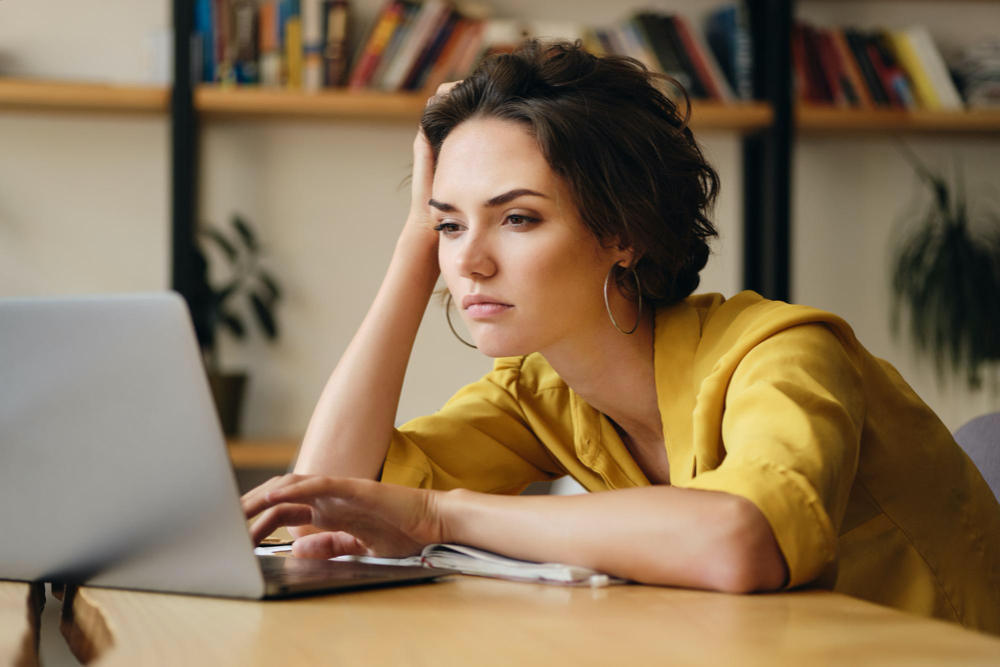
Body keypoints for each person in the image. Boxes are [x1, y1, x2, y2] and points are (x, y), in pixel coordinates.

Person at [242, 38, 1000, 635]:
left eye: (517, 218)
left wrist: (438, 517)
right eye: (450, 224)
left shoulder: (783, 351)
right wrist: (415, 244)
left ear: (622, 232)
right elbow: (322, 504)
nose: (467, 261)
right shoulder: (540, 393)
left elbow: (741, 540)